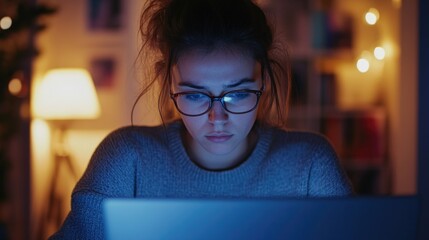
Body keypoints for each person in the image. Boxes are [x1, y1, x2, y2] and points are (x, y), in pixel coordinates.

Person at [50, 0, 352, 238]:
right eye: (195, 95)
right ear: (167, 83)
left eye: (237, 94)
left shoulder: (311, 165)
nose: (217, 118)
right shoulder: (126, 161)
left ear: (265, 83)